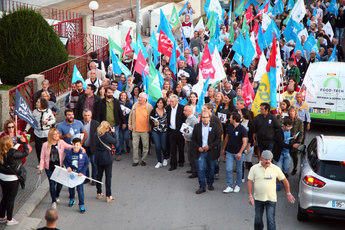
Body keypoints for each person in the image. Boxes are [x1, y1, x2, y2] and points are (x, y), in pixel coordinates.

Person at [247, 150, 295, 230]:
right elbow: (249, 182)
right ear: (261, 158)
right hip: (258, 198)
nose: (268, 161)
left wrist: (288, 193)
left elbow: (285, 181)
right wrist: (250, 196)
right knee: (258, 220)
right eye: (266, 159)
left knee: (271, 220)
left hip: (271, 199)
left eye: (269, 159)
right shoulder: (254, 168)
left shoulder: (276, 169)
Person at [38, 128, 73, 208]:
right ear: (51, 135)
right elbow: (42, 157)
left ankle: (57, 195)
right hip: (49, 168)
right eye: (55, 134)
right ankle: (53, 201)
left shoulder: (61, 142)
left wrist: (78, 147)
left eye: (57, 133)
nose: (57, 135)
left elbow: (69, 147)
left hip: (59, 168)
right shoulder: (45, 145)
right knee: (52, 184)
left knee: (60, 184)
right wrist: (41, 167)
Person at [0, 135, 28, 226]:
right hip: (12, 179)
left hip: (2, 177)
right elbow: (25, 153)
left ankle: (1, 216)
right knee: (11, 199)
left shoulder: (1, 151)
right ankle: (9, 219)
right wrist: (24, 143)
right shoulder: (13, 153)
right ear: (9, 143)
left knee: (5, 197)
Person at [191, 111, 221, 194]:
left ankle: (210, 183)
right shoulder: (197, 127)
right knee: (201, 169)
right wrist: (198, 147)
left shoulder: (214, 126)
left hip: (211, 151)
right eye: (203, 117)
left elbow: (218, 139)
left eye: (206, 117)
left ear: (209, 118)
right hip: (200, 152)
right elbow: (193, 139)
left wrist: (209, 146)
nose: (205, 119)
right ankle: (202, 187)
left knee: (211, 169)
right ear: (201, 118)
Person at [96, 87, 125, 161]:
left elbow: (120, 113)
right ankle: (107, 154)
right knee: (105, 140)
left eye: (112, 92)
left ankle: (117, 153)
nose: (110, 94)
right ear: (105, 93)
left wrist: (124, 122)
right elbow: (98, 113)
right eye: (109, 92)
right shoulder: (101, 102)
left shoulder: (116, 102)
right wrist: (98, 124)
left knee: (116, 140)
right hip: (105, 125)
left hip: (115, 124)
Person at [222, 112, 248, 193]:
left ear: (234, 119)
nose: (229, 119)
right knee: (228, 168)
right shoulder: (229, 126)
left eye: (230, 117)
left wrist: (240, 152)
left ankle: (238, 184)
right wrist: (223, 149)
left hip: (238, 153)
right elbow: (226, 138)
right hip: (229, 151)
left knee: (239, 169)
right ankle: (229, 185)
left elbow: (244, 142)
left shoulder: (242, 129)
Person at [24, 98, 56, 163]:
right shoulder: (35, 112)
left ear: (42, 104)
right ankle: (40, 161)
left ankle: (48, 161)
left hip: (47, 133)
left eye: (38, 102)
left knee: (48, 148)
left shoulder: (49, 111)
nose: (36, 103)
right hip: (37, 133)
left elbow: (53, 120)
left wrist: (47, 123)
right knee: (38, 148)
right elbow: (31, 122)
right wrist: (26, 130)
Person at [63, 138, 89, 213]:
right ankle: (72, 199)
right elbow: (65, 161)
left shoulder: (83, 153)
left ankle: (81, 204)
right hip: (71, 174)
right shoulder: (68, 153)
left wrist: (82, 172)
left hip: (79, 175)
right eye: (74, 145)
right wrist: (67, 166)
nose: (75, 146)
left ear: (80, 145)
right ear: (72, 145)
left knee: (80, 190)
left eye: (77, 145)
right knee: (71, 187)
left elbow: (86, 163)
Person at [128, 92, 153, 166]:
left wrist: (151, 127)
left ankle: (144, 160)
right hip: (135, 130)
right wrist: (129, 124)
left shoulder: (149, 107)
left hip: (145, 130)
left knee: (145, 146)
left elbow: (151, 118)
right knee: (135, 146)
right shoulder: (135, 105)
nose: (139, 99)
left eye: (141, 97)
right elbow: (131, 115)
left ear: (145, 99)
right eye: (139, 97)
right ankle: (135, 160)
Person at [94, 121, 117, 203]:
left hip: (98, 157)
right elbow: (114, 141)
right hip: (107, 158)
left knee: (99, 175)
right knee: (108, 177)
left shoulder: (96, 134)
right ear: (107, 128)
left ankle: (99, 193)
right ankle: (108, 195)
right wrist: (113, 133)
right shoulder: (106, 135)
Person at [166, 94, 186, 171]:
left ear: (177, 101)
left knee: (181, 147)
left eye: (173, 102)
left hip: (180, 131)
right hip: (171, 131)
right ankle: (173, 164)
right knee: (172, 148)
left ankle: (181, 161)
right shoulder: (168, 108)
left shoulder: (182, 108)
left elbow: (184, 120)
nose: (171, 103)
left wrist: (184, 132)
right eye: (170, 101)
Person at [81, 109, 100, 185]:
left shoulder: (96, 123)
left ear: (91, 115)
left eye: (88, 115)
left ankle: (94, 179)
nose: (87, 117)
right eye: (85, 115)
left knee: (94, 163)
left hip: (93, 146)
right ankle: (87, 178)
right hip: (83, 147)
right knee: (85, 163)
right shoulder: (80, 123)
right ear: (83, 116)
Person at [150, 98, 168, 168]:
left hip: (164, 131)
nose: (159, 104)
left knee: (163, 146)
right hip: (155, 131)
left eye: (161, 103)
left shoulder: (166, 110)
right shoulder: (153, 111)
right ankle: (159, 161)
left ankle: (165, 158)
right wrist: (153, 124)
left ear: (163, 104)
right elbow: (150, 119)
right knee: (157, 146)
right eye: (158, 103)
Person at [183, 105, 199, 178]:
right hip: (188, 140)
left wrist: (187, 135)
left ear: (189, 111)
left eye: (185, 111)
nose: (184, 112)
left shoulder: (194, 120)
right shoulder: (188, 119)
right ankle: (192, 168)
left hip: (192, 141)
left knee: (192, 156)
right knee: (189, 155)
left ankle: (195, 171)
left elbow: (195, 132)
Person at [287, 106, 304, 176]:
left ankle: (295, 168)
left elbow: (301, 132)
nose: (291, 113)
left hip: (295, 141)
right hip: (287, 141)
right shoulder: (286, 119)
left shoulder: (299, 121)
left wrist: (298, 142)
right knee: (287, 155)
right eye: (290, 111)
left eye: (293, 111)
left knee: (294, 156)